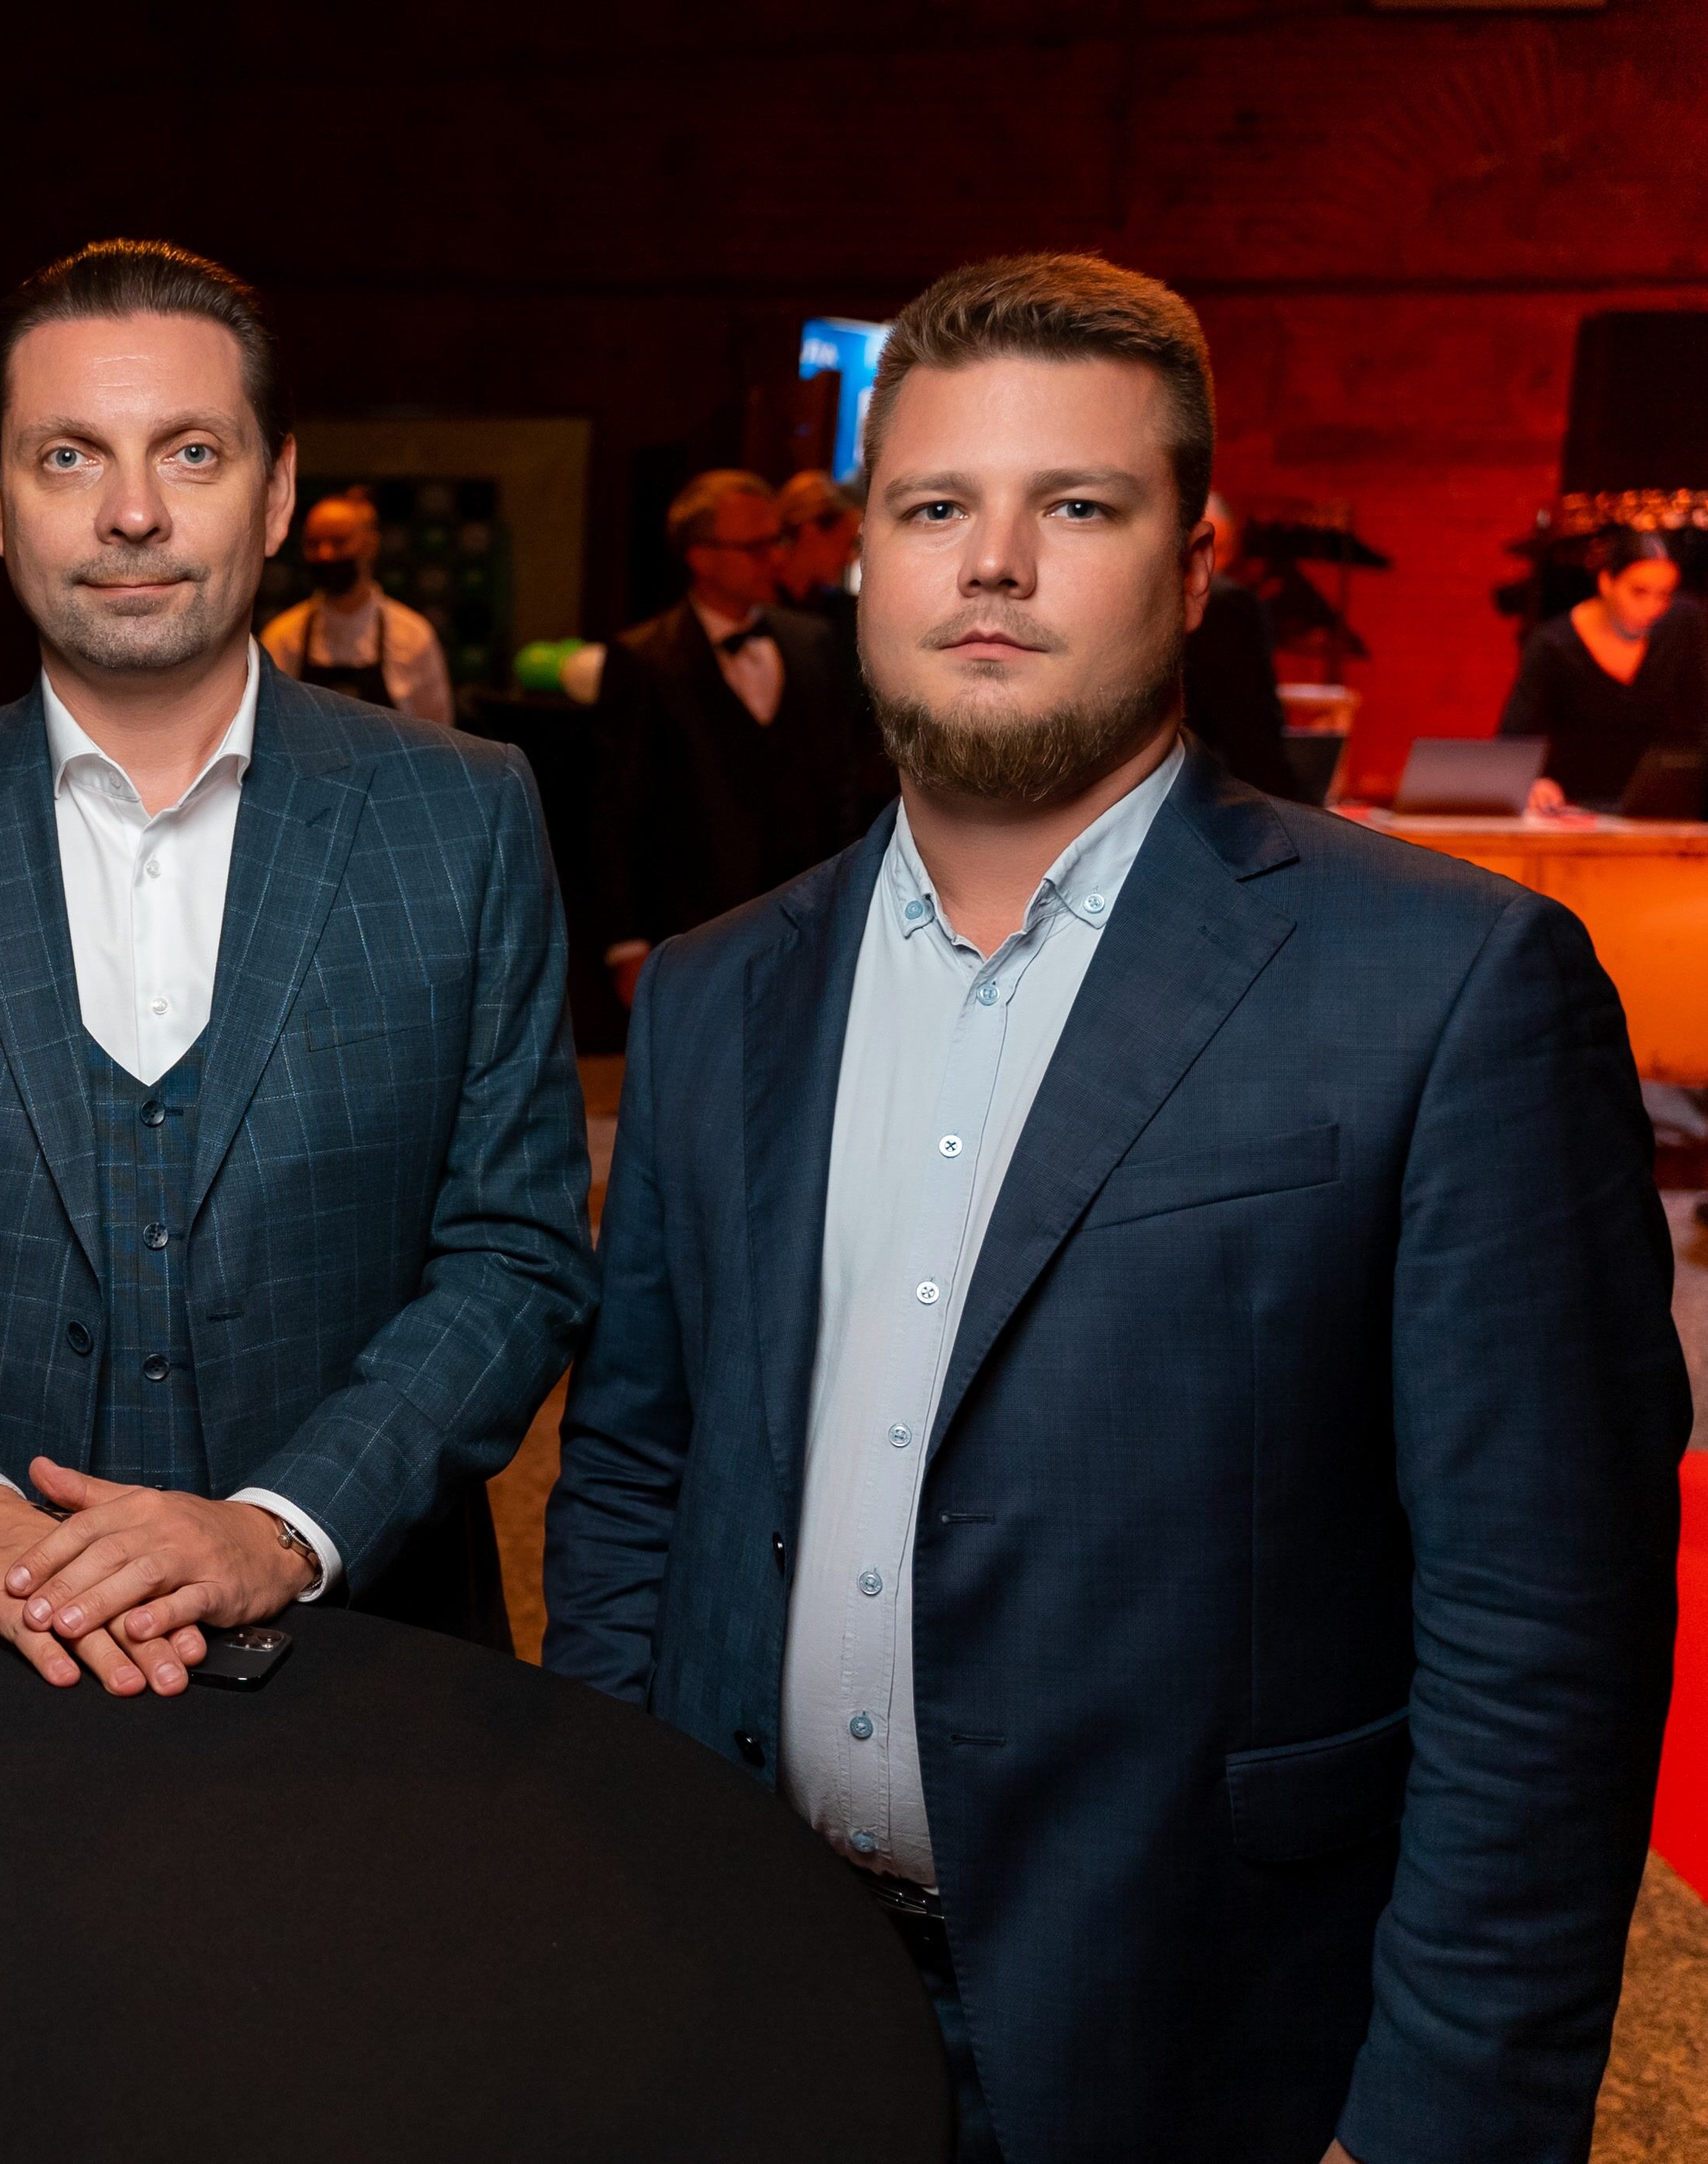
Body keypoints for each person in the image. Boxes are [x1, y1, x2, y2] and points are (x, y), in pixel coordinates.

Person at [544, 252, 1682, 2164]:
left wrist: (1437, 2123)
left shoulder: (1443, 987)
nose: (989, 563)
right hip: (744, 1992)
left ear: (1194, 557)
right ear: (860, 557)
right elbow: (634, 1474)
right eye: (933, 507)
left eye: (1071, 506)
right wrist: (616, 1873)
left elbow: (1538, 1622)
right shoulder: (723, 990)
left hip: (1203, 2034)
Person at [0, 241, 594, 1691]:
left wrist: (283, 1527)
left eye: (190, 451)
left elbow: (518, 1248)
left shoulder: (463, 814)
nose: (131, 512)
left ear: (279, 491)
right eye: (69, 456)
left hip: (369, 1668)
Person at [595, 467, 882, 1003]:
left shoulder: (811, 640)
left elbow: (838, 785)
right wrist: (626, 943)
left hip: (807, 924)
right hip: (691, 928)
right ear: (701, 558)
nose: (775, 558)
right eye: (755, 547)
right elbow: (617, 811)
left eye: (776, 541)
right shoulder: (645, 657)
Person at [1500, 526, 1708, 811]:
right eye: (1639, 592)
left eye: (1665, 595)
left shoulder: (1686, 625)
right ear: (1607, 582)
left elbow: (1698, 722)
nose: (1653, 608)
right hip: (1574, 809)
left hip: (1664, 811)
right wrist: (1536, 782)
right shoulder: (1553, 644)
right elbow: (1514, 742)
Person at [259, 484, 455, 722]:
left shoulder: (413, 637)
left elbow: (438, 733)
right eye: (314, 544)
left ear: (371, 546)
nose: (325, 554)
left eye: (339, 542)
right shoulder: (283, 637)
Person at [1180, 491, 1309, 798]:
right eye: (1198, 549)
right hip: (1212, 801)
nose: (1208, 564)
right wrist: (1303, 816)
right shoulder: (1225, 604)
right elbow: (1252, 739)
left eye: (1218, 550)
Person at [775, 466, 862, 630]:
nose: (849, 559)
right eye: (845, 544)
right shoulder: (758, 606)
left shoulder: (841, 610)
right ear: (810, 532)